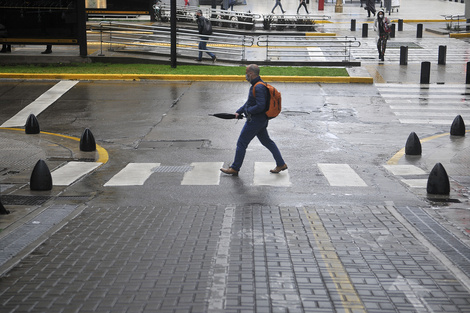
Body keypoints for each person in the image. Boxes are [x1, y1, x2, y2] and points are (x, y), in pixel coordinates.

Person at [220, 64, 288, 176]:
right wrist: (240, 111)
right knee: (267, 142)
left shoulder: (258, 87)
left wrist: (248, 111)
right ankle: (281, 164)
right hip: (261, 120)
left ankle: (235, 168)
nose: (245, 75)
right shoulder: (256, 85)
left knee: (241, 143)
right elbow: (249, 102)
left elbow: (260, 106)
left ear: (251, 73)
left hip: (256, 121)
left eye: (246, 73)